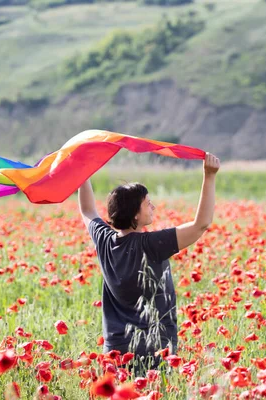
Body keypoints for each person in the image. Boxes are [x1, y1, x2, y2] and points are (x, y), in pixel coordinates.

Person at [77, 152, 220, 375]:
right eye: (147, 203)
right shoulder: (151, 244)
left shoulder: (104, 240)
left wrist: (80, 171)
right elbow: (201, 224)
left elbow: (87, 210)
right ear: (135, 215)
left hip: (116, 349)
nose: (153, 206)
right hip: (155, 348)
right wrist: (209, 176)